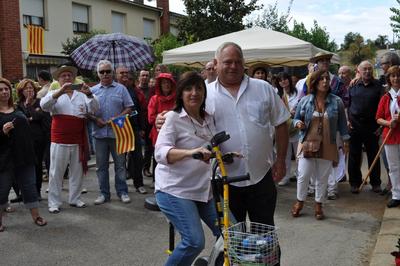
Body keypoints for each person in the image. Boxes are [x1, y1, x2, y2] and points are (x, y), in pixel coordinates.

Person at [156, 42, 290, 226]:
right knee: (232, 239)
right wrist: (162, 118)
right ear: (216, 63)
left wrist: (281, 160)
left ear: (244, 64)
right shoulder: (204, 93)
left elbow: (281, 123)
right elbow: (181, 117)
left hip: (261, 176)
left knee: (265, 234)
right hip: (225, 181)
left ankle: (267, 256)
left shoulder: (263, 88)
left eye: (237, 61)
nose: (233, 66)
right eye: (227, 62)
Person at [154, 71, 219, 266]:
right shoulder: (173, 118)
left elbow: (213, 148)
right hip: (175, 190)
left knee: (231, 233)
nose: (194, 93)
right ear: (180, 93)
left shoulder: (208, 118)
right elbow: (160, 152)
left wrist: (225, 156)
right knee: (194, 242)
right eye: (189, 88)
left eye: (199, 88)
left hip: (203, 189)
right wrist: (190, 152)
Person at [292, 70, 349, 220]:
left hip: (328, 144)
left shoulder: (337, 101)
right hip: (307, 143)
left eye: (327, 79)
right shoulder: (305, 100)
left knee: (322, 178)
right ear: (315, 83)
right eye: (321, 79)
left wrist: (345, 141)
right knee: (303, 175)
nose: (325, 81)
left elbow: (343, 125)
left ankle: (319, 205)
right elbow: (296, 118)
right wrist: (298, 123)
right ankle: (299, 202)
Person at [41, 65, 98, 213]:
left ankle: (75, 198)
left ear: (74, 78)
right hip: (59, 139)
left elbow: (94, 108)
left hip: (77, 138)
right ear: (59, 79)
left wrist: (90, 94)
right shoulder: (53, 92)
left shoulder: (82, 94)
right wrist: (59, 92)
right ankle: (54, 202)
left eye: (69, 75)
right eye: (63, 76)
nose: (67, 78)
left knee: (77, 171)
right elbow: (44, 106)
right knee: (56, 172)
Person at [0, 77, 47, 231]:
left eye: (6, 88)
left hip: (25, 155)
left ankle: (36, 216)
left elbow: (34, 120)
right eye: (0, 89)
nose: (4, 91)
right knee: (3, 189)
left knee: (29, 187)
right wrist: (2, 132)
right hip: (5, 158)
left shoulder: (19, 108)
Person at [91, 60, 133, 205]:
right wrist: (95, 119)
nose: (105, 74)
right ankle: (104, 193)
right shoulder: (92, 91)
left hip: (118, 134)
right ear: (98, 74)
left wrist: (118, 117)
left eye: (108, 71)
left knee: (120, 165)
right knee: (101, 167)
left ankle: (122, 192)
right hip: (99, 134)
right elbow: (86, 111)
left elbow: (129, 107)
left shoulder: (121, 89)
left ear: (112, 72)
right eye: (102, 72)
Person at [347, 61, 384, 194]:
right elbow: (347, 104)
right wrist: (347, 120)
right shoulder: (353, 85)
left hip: (372, 126)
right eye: (364, 69)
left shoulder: (379, 86)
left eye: (369, 69)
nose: (367, 71)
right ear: (359, 70)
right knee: (354, 155)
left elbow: (383, 107)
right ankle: (354, 183)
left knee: (373, 155)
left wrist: (380, 126)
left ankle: (375, 183)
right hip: (355, 126)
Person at [16, 79, 51, 199]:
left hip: (38, 139)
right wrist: (30, 117)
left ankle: (37, 191)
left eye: (31, 88)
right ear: (21, 91)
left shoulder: (40, 102)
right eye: (26, 88)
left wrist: (29, 107)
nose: (29, 90)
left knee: (37, 166)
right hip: (23, 140)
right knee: (23, 166)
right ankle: (22, 192)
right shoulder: (18, 105)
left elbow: (39, 116)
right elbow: (20, 121)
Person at [115, 66, 147, 194]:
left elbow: (138, 110)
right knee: (120, 161)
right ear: (116, 74)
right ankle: (122, 188)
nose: (124, 75)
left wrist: (140, 127)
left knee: (137, 158)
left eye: (126, 73)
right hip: (118, 128)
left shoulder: (133, 90)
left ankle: (138, 183)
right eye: (121, 73)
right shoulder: (114, 90)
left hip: (133, 128)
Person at [376, 65, 400, 208]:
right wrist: (388, 122)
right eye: (393, 76)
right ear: (389, 79)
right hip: (390, 137)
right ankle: (397, 195)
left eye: (398, 75)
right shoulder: (386, 98)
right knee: (393, 167)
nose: (396, 78)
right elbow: (378, 118)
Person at [148, 72, 176, 182]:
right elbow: (151, 118)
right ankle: (156, 181)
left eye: (168, 83)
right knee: (158, 158)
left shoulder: (177, 99)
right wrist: (163, 116)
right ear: (160, 85)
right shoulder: (154, 99)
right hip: (158, 133)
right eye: (164, 83)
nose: (166, 85)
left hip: (174, 133)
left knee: (172, 156)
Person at [276, 72, 300, 186]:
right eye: (280, 80)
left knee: (298, 154)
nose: (283, 82)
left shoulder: (298, 92)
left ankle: (300, 176)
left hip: (297, 127)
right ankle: (285, 176)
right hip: (283, 127)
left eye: (285, 79)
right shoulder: (277, 94)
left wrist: (296, 112)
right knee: (285, 154)